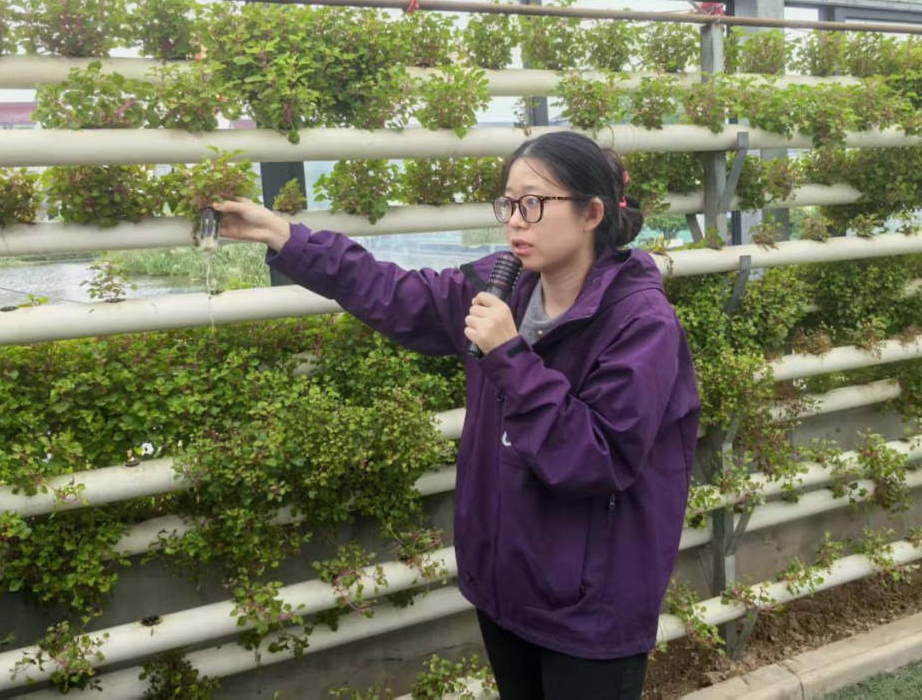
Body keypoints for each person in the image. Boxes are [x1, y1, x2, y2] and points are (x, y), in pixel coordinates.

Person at [213, 131, 701, 699]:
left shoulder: (642, 323)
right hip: (507, 588)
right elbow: (394, 293)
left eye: (534, 204)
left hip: (591, 609)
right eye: (509, 204)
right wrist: (283, 234)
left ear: (592, 213)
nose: (515, 221)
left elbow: (597, 459)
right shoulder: (503, 286)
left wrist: (510, 356)